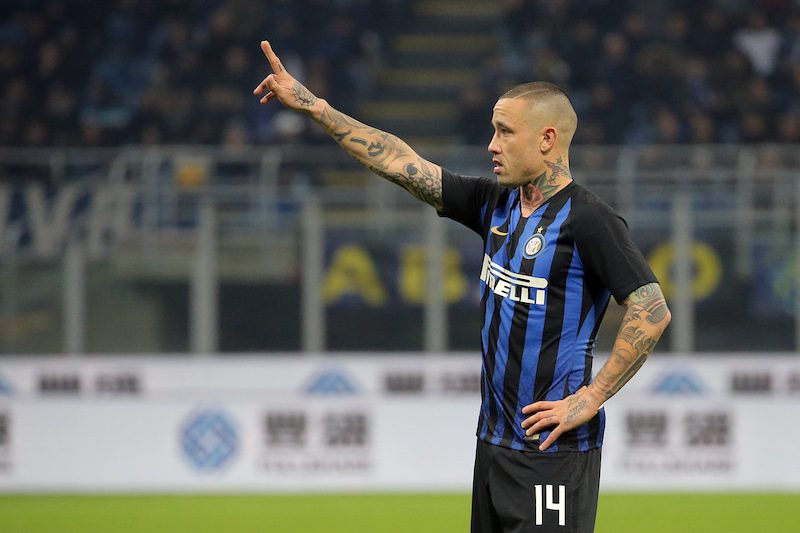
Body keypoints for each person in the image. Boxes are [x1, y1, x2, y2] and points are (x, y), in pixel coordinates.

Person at [254, 40, 671, 533]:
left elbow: (651, 308)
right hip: (492, 444)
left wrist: (592, 396)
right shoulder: (495, 204)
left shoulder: (590, 220)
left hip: (551, 453)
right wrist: (314, 106)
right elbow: (398, 161)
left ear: (547, 139)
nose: (492, 145)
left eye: (505, 132)